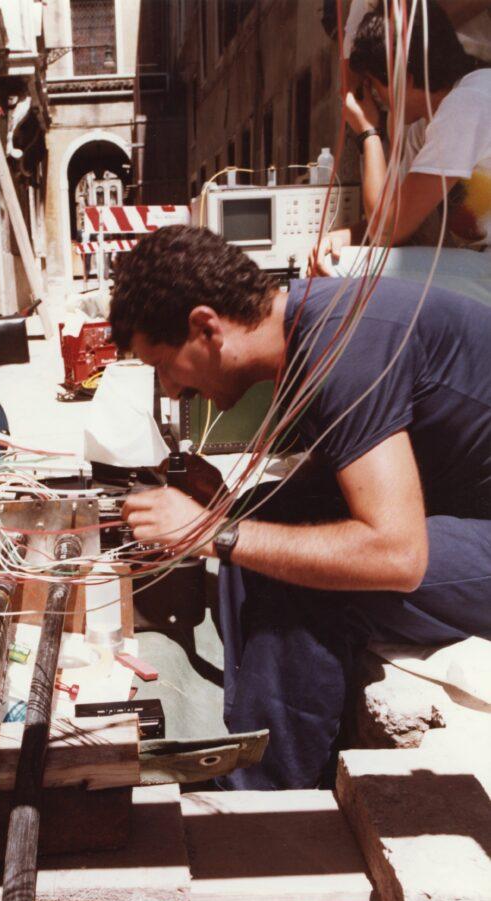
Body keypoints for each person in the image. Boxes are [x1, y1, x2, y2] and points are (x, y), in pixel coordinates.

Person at [112, 225, 491, 790]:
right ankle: (258, 736)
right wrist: (226, 511)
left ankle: (263, 809)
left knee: (304, 574)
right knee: (263, 516)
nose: (168, 390)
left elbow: (396, 555)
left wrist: (216, 533)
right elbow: (344, 471)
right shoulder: (313, 323)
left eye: (163, 364)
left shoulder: (347, 345)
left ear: (204, 327)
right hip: (466, 503)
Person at [311, 0, 491, 275]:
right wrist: (345, 237)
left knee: (344, 270)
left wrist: (368, 134)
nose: (376, 99)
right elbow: (396, 217)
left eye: (374, 85)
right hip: (480, 265)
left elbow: (388, 230)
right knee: (343, 260)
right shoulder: (428, 124)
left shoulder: (468, 103)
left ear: (401, 80)